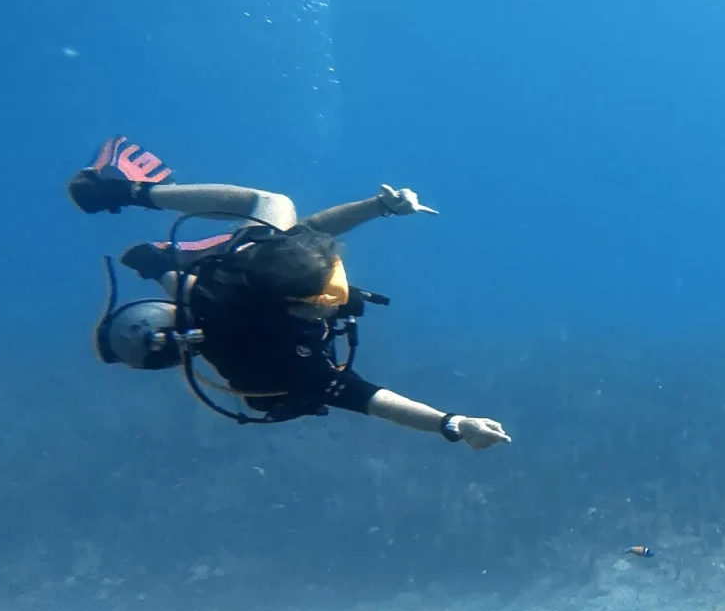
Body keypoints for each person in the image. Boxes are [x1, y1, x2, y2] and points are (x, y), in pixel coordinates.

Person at [70, 136, 512, 446]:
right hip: (221, 302)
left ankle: (125, 195)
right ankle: (147, 219)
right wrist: (452, 424)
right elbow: (370, 399)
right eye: (326, 298)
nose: (336, 301)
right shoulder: (282, 362)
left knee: (272, 209)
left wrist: (379, 207)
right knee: (254, 224)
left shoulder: (234, 278)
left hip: (222, 284)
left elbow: (310, 230)